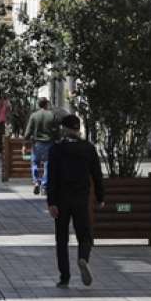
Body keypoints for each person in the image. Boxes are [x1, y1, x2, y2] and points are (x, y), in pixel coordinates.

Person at [46, 114, 105, 289]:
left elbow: (52, 177)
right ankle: (83, 258)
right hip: (81, 198)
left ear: (64, 129)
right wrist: (100, 197)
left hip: (61, 200)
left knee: (61, 239)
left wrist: (51, 202)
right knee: (84, 235)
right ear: (78, 129)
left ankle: (64, 277)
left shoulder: (56, 149)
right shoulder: (88, 148)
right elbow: (97, 175)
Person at [23, 98, 60, 195]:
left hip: (37, 144)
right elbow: (57, 131)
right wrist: (57, 140)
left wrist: (24, 143)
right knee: (48, 165)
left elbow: (28, 131)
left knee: (35, 163)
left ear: (38, 105)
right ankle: (44, 185)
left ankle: (36, 182)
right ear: (46, 104)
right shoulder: (52, 115)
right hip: (49, 144)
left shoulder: (34, 116)